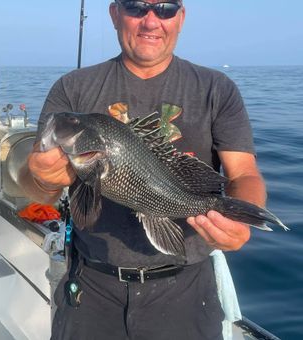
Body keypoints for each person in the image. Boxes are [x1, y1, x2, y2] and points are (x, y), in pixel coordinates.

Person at [19, 1, 266, 339]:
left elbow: (244, 175)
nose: (151, 21)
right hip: (92, 285)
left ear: (180, 17)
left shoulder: (216, 89)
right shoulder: (72, 88)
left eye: (165, 9)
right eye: (136, 7)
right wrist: (39, 176)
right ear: (114, 13)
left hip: (186, 290)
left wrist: (238, 224)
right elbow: (36, 189)